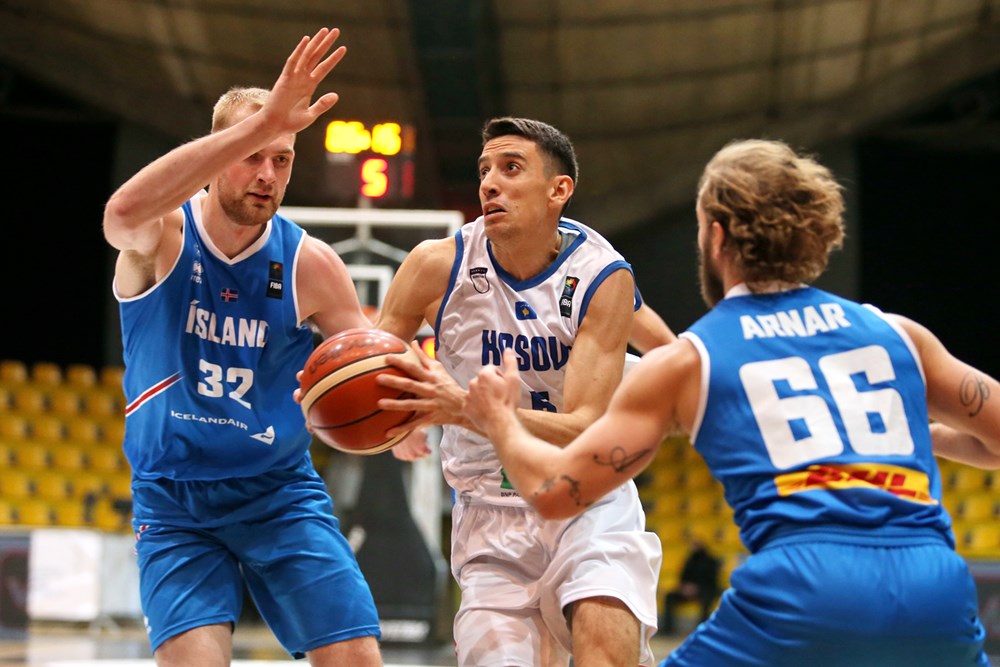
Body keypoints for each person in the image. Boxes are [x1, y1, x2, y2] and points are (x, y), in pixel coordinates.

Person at [464, 138, 1000, 666]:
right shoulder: (898, 334)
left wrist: (500, 419)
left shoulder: (692, 359)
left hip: (805, 585)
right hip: (935, 585)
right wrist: (921, 436)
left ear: (716, 237)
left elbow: (557, 495)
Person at [102, 28, 383, 667]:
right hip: (174, 498)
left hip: (278, 491)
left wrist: (396, 417)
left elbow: (369, 363)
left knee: (357, 659)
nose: (267, 174)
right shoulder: (164, 236)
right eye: (252, 154)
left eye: (282, 159)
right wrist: (260, 123)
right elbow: (119, 216)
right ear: (217, 152)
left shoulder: (311, 263)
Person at [372, 117, 664, 666]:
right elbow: (375, 356)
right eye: (484, 170)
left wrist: (461, 409)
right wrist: (392, 405)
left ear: (559, 190)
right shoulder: (435, 265)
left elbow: (584, 428)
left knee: (606, 649)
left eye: (510, 168)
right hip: (488, 512)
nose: (489, 183)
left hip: (584, 496)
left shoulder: (602, 276)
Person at [659, 534, 719, 635]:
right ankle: (667, 629)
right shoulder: (689, 560)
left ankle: (702, 629)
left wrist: (697, 588)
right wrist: (684, 587)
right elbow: (682, 577)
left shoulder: (710, 561)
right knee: (669, 597)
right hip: (688, 590)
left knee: (706, 599)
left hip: (705, 589)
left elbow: (711, 580)